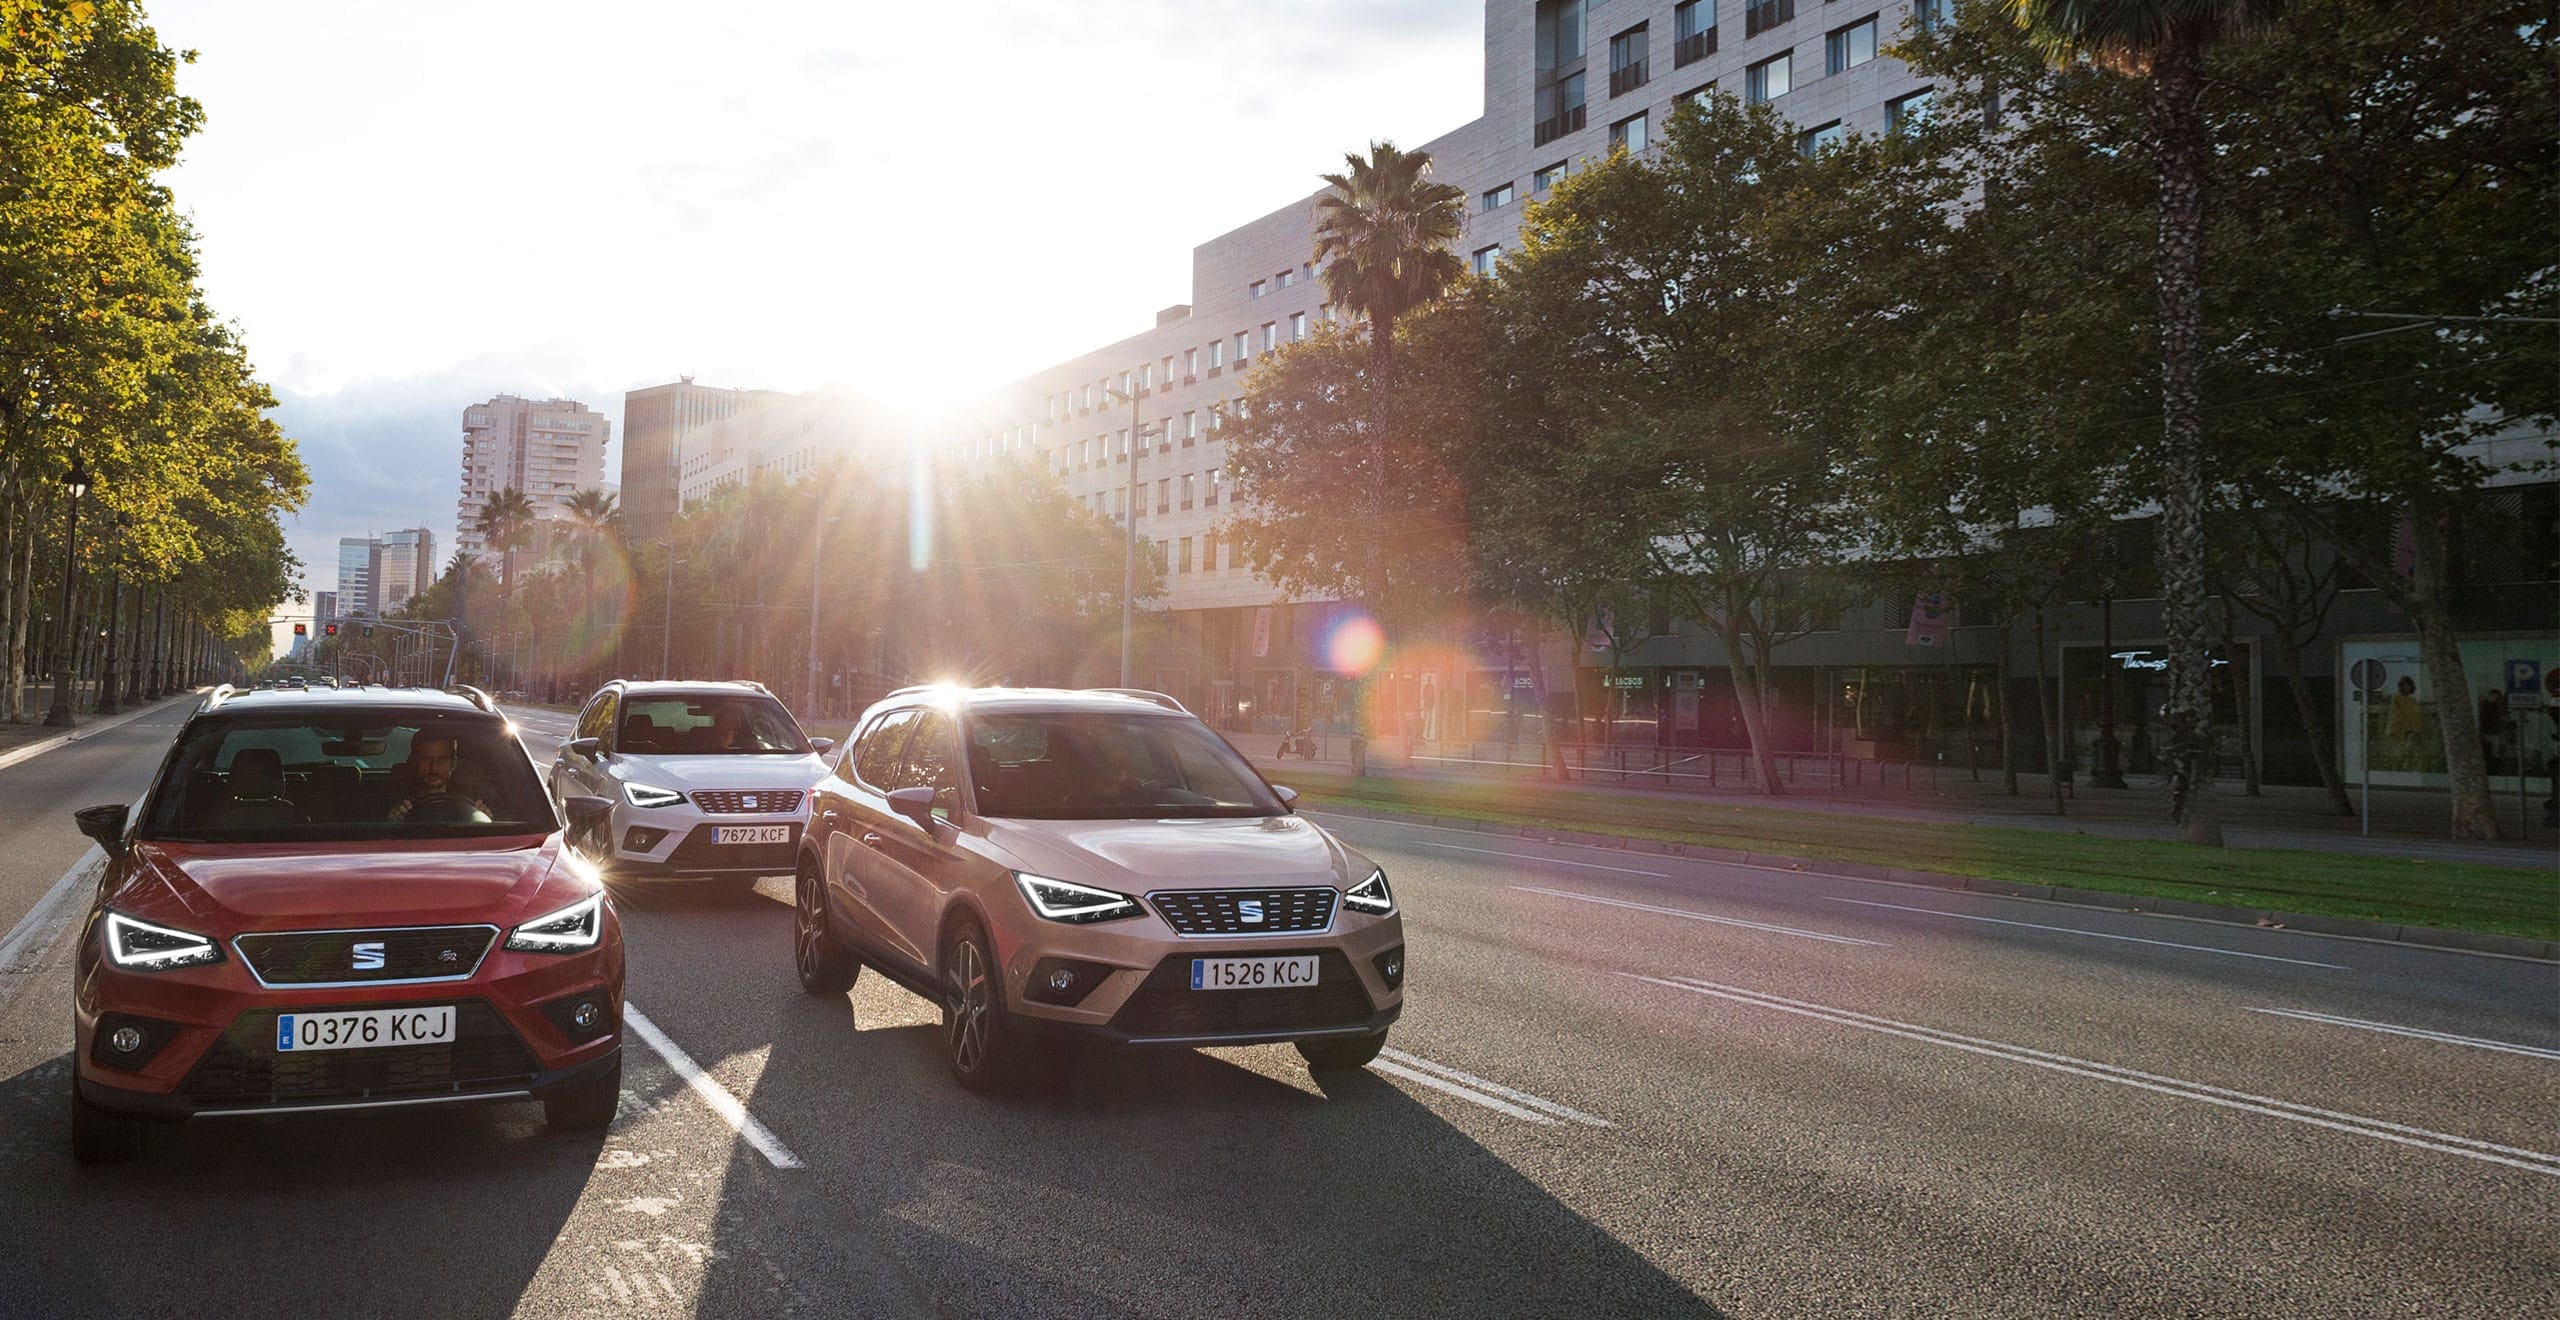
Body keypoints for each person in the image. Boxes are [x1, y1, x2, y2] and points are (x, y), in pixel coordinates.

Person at [388, 731, 489, 821]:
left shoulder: (471, 807)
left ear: (453, 763)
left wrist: (484, 820)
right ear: (414, 762)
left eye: (442, 760)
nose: (434, 768)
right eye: (426, 759)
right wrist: (393, 824)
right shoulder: (397, 804)